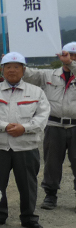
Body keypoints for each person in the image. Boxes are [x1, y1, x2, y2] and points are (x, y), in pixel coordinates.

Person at [0, 52, 50, 228]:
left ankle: (28, 217)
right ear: (2, 70)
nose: (12, 70)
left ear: (23, 70)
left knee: (28, 184)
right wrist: (4, 126)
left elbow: (42, 117)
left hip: (26, 147)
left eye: (16, 67)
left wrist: (24, 128)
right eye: (8, 67)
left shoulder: (36, 92)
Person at [21, 42, 76, 210]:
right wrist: (14, 62)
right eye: (69, 55)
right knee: (52, 163)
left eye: (74, 56)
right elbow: (28, 75)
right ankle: (50, 195)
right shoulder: (49, 75)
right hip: (54, 125)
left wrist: (70, 63)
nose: (71, 59)